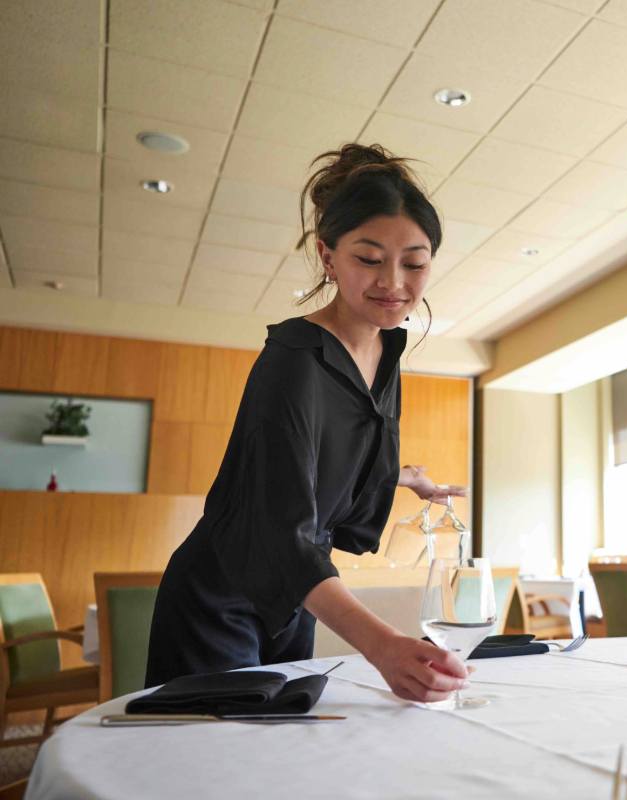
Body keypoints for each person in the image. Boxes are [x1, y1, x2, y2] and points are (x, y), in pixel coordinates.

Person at [145, 143, 468, 703]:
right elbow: (277, 520)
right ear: (328, 256)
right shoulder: (294, 359)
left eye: (414, 262)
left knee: (282, 756)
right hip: (222, 593)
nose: (394, 281)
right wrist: (383, 645)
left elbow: (326, 466)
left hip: (296, 591)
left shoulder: (385, 355)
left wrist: (403, 477)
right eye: (369, 258)